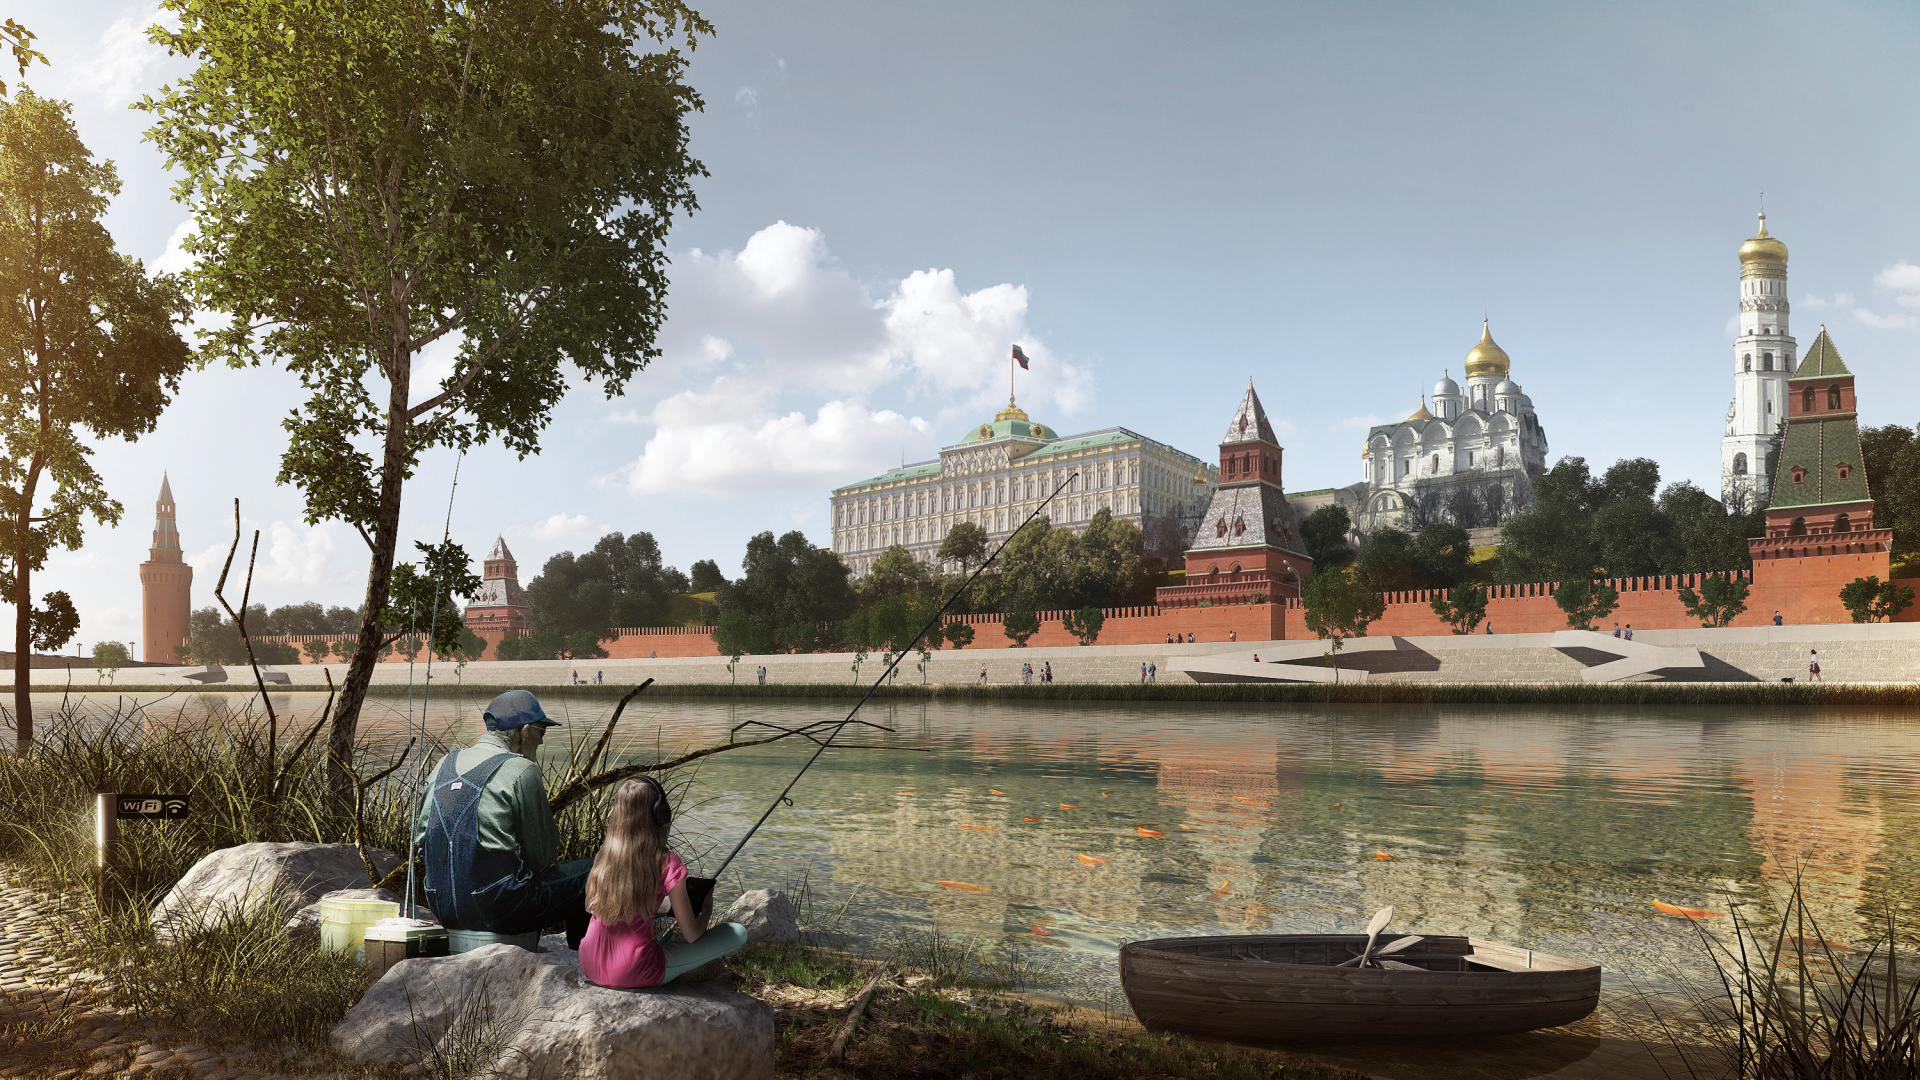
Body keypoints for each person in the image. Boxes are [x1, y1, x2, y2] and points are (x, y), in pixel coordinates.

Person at [416, 691, 593, 948]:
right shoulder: (522, 770)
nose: (542, 742)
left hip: (442, 907)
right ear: (525, 731)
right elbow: (543, 857)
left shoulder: (444, 763)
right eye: (541, 732)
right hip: (499, 912)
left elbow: (422, 844)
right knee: (594, 870)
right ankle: (583, 961)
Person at [578, 777, 747, 989]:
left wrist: (667, 907)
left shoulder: (604, 854)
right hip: (635, 970)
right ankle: (680, 974)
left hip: (590, 964)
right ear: (661, 815)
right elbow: (692, 935)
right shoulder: (667, 862)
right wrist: (706, 911)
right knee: (737, 933)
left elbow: (591, 907)